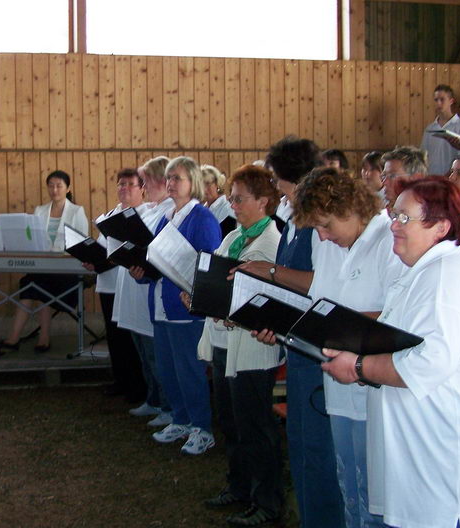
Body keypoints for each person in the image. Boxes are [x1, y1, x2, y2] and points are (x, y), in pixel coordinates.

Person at [321, 176, 460, 528]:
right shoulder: (423, 272)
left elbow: (428, 364)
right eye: (394, 214)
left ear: (441, 226)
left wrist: (357, 367)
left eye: (405, 218)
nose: (393, 226)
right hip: (433, 453)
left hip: (455, 460)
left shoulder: (445, 277)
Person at [238, 137, 345, 528]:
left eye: (281, 185)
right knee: (300, 445)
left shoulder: (319, 223)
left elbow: (323, 283)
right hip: (297, 343)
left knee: (318, 450)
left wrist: (267, 272)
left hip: (319, 350)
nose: (279, 192)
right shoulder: (296, 219)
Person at [293, 167, 403, 528]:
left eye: (326, 225)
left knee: (378, 496)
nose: (322, 236)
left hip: (379, 385)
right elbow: (319, 301)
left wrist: (336, 325)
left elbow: (399, 315)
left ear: (351, 209)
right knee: (350, 486)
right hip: (338, 384)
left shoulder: (390, 239)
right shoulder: (327, 243)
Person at [194, 165, 285, 526]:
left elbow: (270, 299)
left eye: (239, 198)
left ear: (264, 201)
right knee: (231, 422)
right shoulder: (235, 236)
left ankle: (267, 502)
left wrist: (233, 310)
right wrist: (200, 294)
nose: (232, 204)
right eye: (231, 197)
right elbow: (218, 277)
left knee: (257, 428)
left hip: (252, 349)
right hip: (224, 342)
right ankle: (240, 485)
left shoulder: (272, 243)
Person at [130, 156, 221, 455]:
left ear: (192, 182)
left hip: (185, 307)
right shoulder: (165, 217)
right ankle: (181, 419)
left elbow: (208, 264)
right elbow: (156, 259)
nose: (170, 183)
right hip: (161, 304)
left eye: (177, 178)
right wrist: (142, 272)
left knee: (189, 371)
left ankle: (202, 427)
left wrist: (197, 292)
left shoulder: (202, 217)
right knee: (169, 370)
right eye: (168, 178)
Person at [112, 156, 175, 427]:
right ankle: (153, 397)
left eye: (146, 180)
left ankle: (167, 404)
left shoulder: (168, 209)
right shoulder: (150, 208)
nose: (144, 186)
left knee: (155, 354)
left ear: (161, 180)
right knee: (143, 352)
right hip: (135, 283)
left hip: (152, 287)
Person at [0, 170, 89, 352]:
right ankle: (17, 337)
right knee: (30, 284)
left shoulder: (76, 211)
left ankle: (38, 337)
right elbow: (33, 240)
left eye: (59, 186)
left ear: (67, 188)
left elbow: (83, 243)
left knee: (37, 285)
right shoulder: (39, 211)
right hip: (43, 266)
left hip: (67, 270)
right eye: (51, 186)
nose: (54, 190)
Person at [86, 168, 146, 402]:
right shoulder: (109, 215)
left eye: (130, 184)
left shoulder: (143, 214)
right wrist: (93, 260)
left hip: (130, 282)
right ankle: (121, 381)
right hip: (108, 283)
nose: (124, 188)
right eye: (121, 184)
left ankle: (137, 386)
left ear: (142, 188)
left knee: (132, 339)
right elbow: (103, 249)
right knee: (114, 338)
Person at [419, 84, 460, 176]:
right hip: (431, 176)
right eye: (436, 100)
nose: (439, 103)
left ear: (451, 101)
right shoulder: (430, 128)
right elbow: (423, 154)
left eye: (442, 99)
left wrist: (451, 173)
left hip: (452, 177)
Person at [201, 164, 237, 237]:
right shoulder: (203, 209)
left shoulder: (227, 210)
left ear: (217, 184)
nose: (204, 189)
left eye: (208, 184)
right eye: (201, 184)